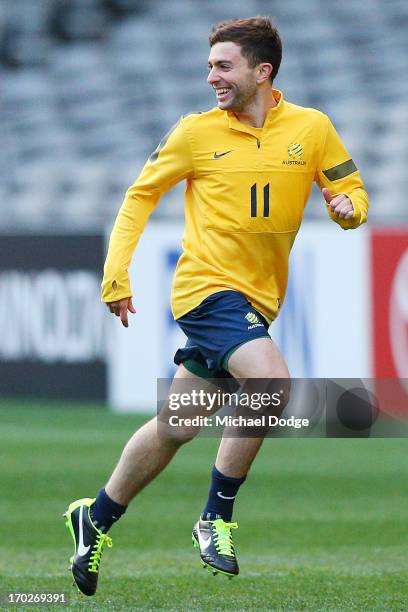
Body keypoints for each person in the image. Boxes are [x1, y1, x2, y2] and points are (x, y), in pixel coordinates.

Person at [63, 16, 368, 596]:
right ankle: (216, 516)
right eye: (209, 66)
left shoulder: (313, 127)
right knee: (273, 384)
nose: (212, 78)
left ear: (262, 71)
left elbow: (352, 189)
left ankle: (96, 516)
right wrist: (116, 273)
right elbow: (140, 195)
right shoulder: (194, 133)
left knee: (178, 425)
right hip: (206, 290)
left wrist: (347, 208)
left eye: (223, 66)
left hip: (259, 298)